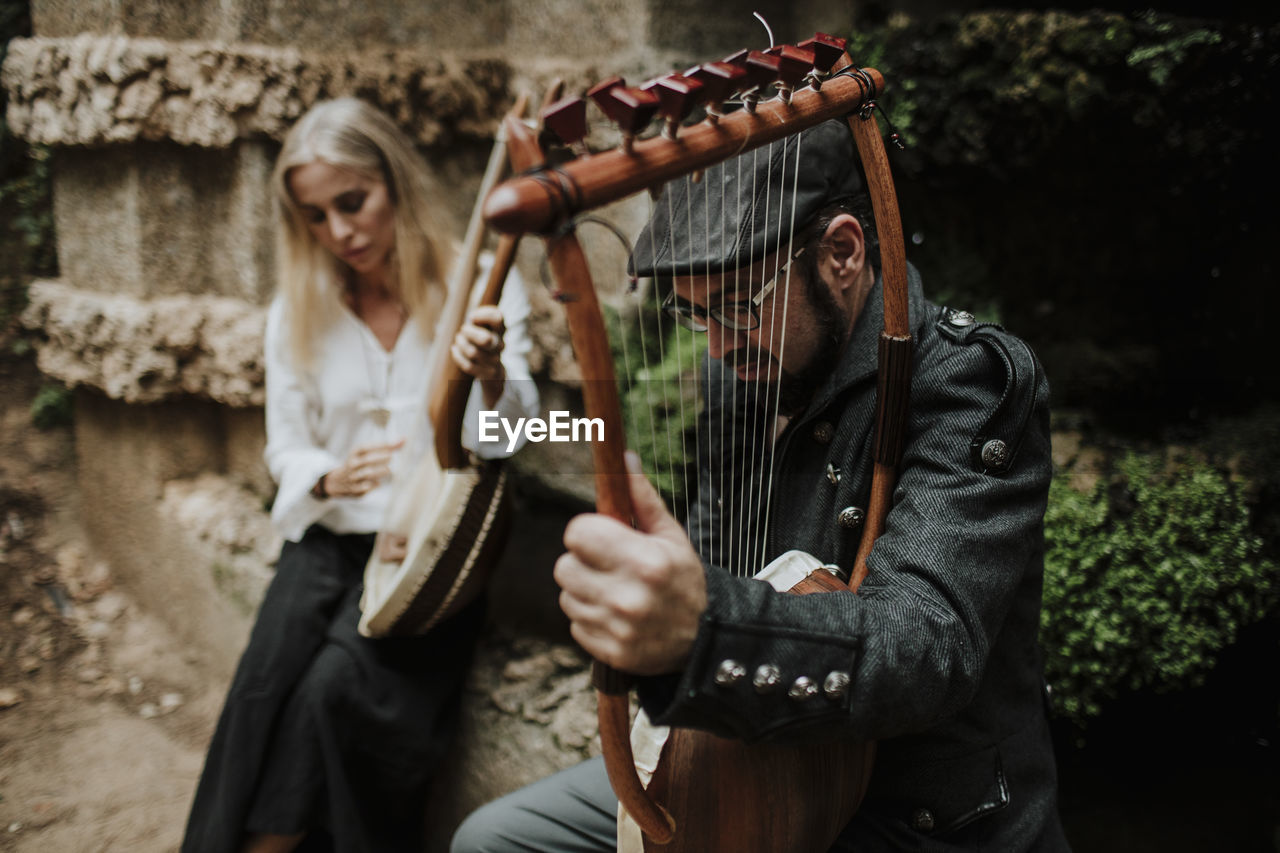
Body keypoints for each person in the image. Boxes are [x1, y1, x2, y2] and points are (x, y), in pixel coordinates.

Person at [451, 118, 1069, 851]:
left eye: (738, 303)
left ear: (842, 252)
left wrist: (703, 623)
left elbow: (922, 647)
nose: (714, 342)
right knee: (494, 839)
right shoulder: (739, 370)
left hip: (909, 809)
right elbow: (715, 556)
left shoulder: (967, 381)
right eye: (692, 311)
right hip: (758, 749)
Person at [182, 97, 540, 853]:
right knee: (262, 690)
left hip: (429, 556)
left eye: (353, 202)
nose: (339, 231)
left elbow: (515, 435)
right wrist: (324, 477)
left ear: (395, 183)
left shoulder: (480, 283)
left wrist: (490, 372)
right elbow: (285, 448)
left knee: (332, 693)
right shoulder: (297, 310)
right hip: (328, 543)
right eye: (315, 215)